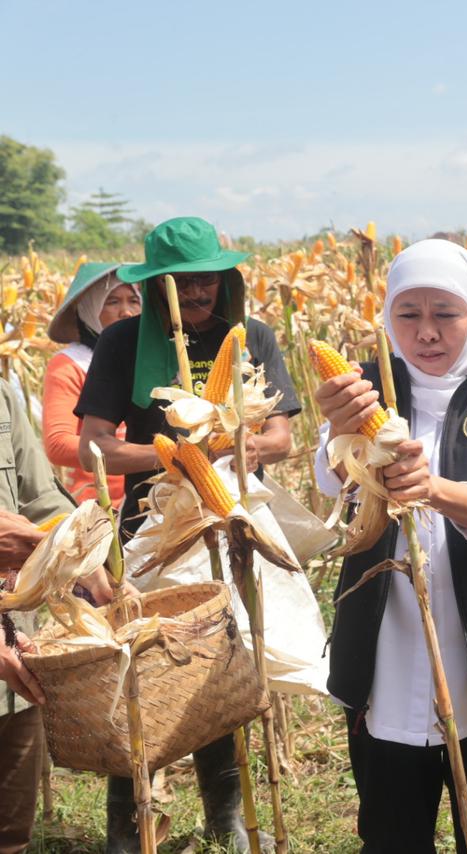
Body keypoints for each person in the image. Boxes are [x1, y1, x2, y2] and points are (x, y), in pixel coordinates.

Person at [316, 239, 467, 852]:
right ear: (388, 318)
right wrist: (339, 435)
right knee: (392, 839)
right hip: (386, 661)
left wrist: (433, 489)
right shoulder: (364, 389)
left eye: (445, 313)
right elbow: (329, 478)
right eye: (409, 314)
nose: (426, 333)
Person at [73, 216, 302, 854]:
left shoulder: (249, 335)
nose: (198, 293)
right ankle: (130, 824)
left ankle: (224, 819)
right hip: (150, 532)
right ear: (154, 286)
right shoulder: (121, 343)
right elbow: (96, 446)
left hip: (230, 524)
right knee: (141, 674)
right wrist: (172, 456)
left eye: (207, 279)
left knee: (220, 671)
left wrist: (234, 445)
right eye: (182, 282)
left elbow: (281, 436)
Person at [0, 379, 99, 852]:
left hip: (16, 648)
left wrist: (86, 553)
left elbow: (39, 497)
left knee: (11, 825)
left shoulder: (0, 394)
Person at [42, 263, 140, 505]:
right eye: (113, 302)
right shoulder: (70, 365)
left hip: (154, 496)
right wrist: (137, 454)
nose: (126, 312)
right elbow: (57, 443)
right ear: (89, 309)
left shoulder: (156, 359)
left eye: (134, 301)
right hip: (99, 503)